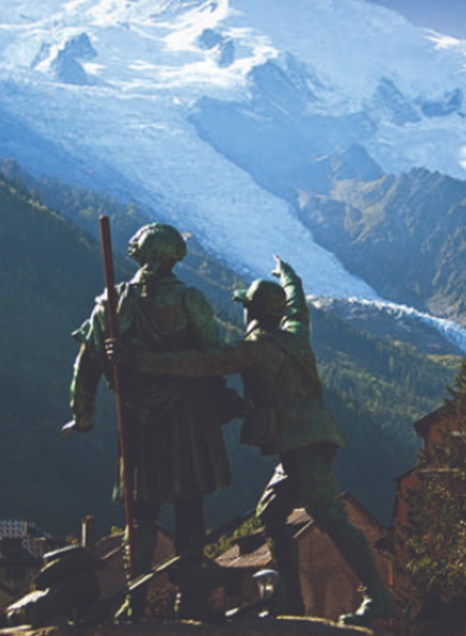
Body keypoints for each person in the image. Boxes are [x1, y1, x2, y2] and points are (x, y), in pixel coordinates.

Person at [123, 256, 399, 626]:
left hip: (301, 444)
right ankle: (291, 598)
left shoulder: (252, 348)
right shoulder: (296, 335)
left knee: (331, 518)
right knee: (270, 513)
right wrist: (289, 275)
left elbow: (198, 363)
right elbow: (298, 305)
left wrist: (142, 361)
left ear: (251, 312)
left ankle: (378, 595)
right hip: (311, 439)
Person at [67, 222, 234, 621]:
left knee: (140, 515)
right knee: (190, 506)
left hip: (139, 421)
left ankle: (135, 600)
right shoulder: (191, 300)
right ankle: (189, 599)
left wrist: (82, 414)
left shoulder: (111, 302)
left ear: (140, 254)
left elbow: (86, 365)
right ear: (173, 257)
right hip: (190, 420)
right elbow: (213, 360)